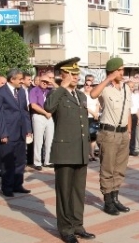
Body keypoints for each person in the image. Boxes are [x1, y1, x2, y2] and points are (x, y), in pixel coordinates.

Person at [44, 57, 96, 243]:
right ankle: (65, 229)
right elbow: (48, 108)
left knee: (78, 191)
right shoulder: (57, 94)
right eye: (72, 73)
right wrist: (61, 87)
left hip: (80, 150)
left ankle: (77, 224)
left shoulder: (81, 96)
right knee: (64, 192)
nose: (76, 76)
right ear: (63, 75)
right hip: (64, 151)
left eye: (77, 73)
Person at [90, 57, 132, 216]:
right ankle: (107, 201)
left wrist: (129, 131)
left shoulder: (127, 89)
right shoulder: (105, 88)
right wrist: (108, 78)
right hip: (108, 133)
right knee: (107, 167)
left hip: (122, 134)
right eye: (119, 70)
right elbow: (93, 94)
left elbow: (128, 110)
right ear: (112, 71)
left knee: (120, 168)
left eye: (122, 70)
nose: (122, 73)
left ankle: (115, 198)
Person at [0, 69, 32, 197]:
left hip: (21, 131)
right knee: (8, 162)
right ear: (12, 79)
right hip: (8, 132)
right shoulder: (0, 93)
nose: (22, 81)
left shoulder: (21, 92)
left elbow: (25, 112)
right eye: (20, 79)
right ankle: (7, 187)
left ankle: (17, 184)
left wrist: (28, 130)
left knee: (20, 160)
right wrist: (2, 133)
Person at [29, 74, 55, 169]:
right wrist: (45, 113)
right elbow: (33, 105)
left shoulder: (49, 91)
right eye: (43, 81)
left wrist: (51, 82)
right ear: (39, 81)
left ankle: (48, 161)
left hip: (49, 116)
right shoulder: (34, 90)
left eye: (47, 82)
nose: (45, 83)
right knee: (38, 140)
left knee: (49, 139)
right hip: (39, 115)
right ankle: (37, 162)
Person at [83, 80, 100, 161]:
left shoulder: (94, 95)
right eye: (86, 85)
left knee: (93, 137)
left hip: (95, 117)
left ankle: (92, 154)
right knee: (87, 137)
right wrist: (93, 113)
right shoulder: (82, 95)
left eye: (90, 85)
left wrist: (96, 113)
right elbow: (84, 107)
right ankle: (87, 154)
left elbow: (98, 104)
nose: (88, 86)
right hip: (87, 117)